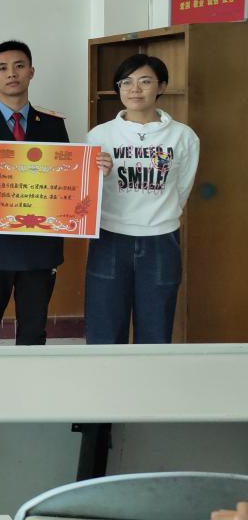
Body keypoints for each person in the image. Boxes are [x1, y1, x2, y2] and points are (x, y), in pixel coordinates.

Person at [0, 40, 109, 346]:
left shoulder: (52, 125)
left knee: (34, 333)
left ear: (32, 72)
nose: (12, 73)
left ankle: (29, 378)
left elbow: (65, 181)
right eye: (2, 68)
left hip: (39, 246)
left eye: (19, 66)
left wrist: (93, 171)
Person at [84, 54, 199, 344]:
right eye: (126, 82)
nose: (134, 89)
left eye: (145, 81)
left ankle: (150, 375)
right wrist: (100, 175)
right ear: (118, 88)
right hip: (109, 238)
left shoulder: (183, 137)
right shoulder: (99, 135)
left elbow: (181, 189)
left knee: (156, 328)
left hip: (161, 240)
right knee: (104, 329)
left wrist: (157, 215)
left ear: (161, 86)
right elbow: (86, 190)